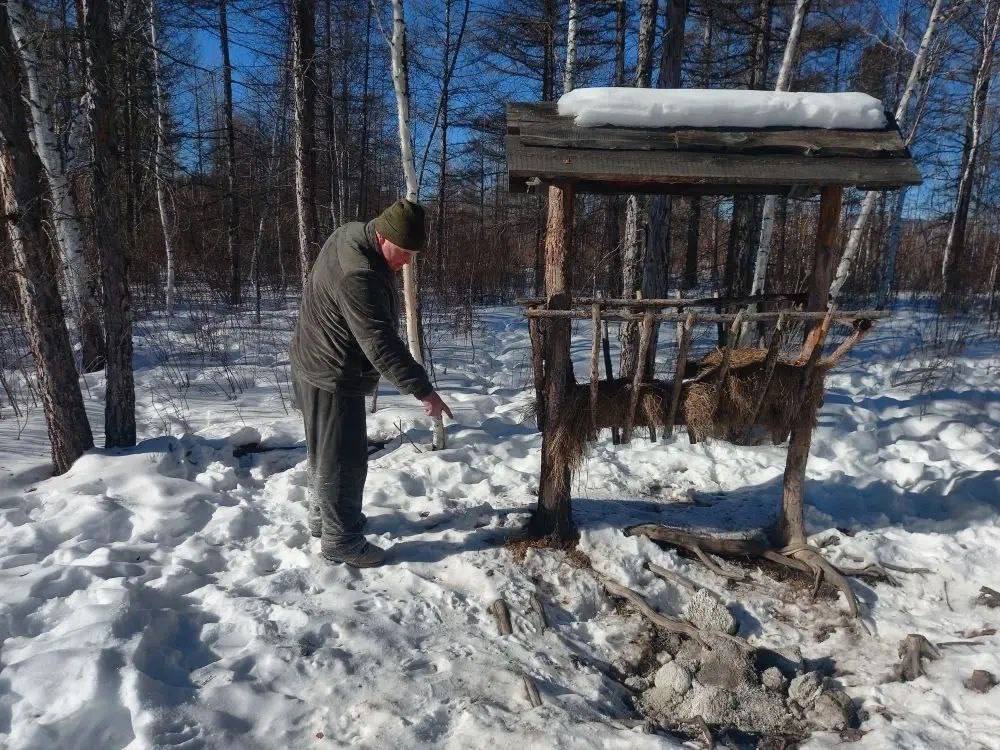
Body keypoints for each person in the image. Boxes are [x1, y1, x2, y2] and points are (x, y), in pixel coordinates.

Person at [290, 199, 452, 568]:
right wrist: (423, 390)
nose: (407, 262)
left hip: (311, 360)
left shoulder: (350, 233)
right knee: (344, 460)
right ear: (382, 236)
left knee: (326, 451)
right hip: (332, 373)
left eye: (413, 254)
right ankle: (340, 540)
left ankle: (323, 519)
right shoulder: (358, 274)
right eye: (404, 252)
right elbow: (379, 343)